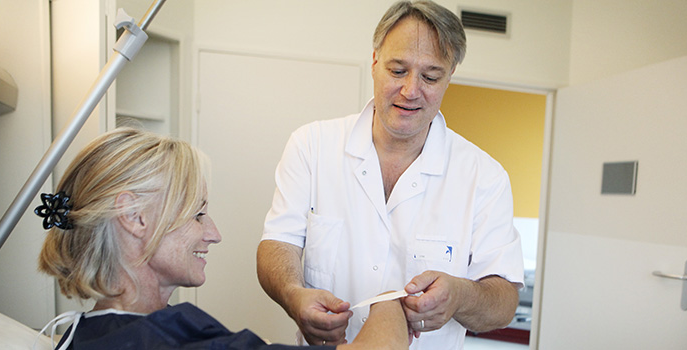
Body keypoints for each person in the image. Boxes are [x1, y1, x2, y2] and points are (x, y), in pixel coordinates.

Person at [256, 1, 524, 349]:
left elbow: (502, 302)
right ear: (374, 62)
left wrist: (460, 295)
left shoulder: (484, 177)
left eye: (430, 76)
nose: (411, 91)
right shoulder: (312, 145)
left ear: (450, 76)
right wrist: (292, 295)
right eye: (398, 70)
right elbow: (278, 242)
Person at [35, 127, 408, 350]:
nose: (213, 234)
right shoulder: (168, 338)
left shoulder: (85, 332)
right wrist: (392, 301)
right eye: (196, 214)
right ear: (135, 217)